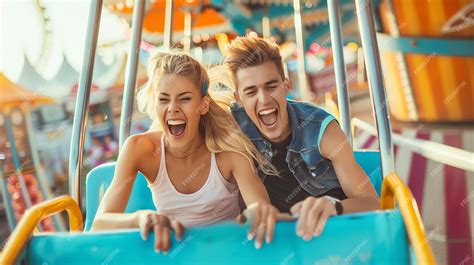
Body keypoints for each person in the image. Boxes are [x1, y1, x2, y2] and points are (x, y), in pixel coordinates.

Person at [91, 51, 285, 253]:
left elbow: (260, 209)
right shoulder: (139, 149)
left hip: (226, 254)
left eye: (184, 99)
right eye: (164, 100)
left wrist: (251, 217)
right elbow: (100, 224)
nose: (173, 108)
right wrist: (140, 218)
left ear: (203, 105)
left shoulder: (229, 152)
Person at [224, 35, 380, 241]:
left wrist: (334, 206)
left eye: (271, 86)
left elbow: (372, 203)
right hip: (273, 246)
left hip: (331, 240)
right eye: (251, 91)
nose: (263, 99)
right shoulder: (230, 128)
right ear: (239, 99)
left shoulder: (322, 130)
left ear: (286, 86)